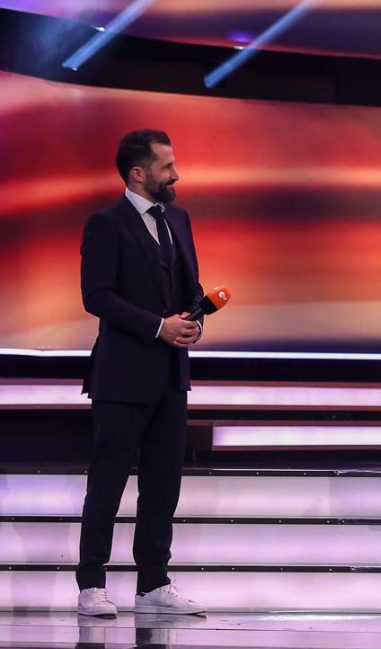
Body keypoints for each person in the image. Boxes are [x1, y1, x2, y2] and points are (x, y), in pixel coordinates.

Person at [76, 129, 206, 618]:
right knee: (107, 482)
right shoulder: (106, 224)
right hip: (122, 377)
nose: (175, 174)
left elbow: (187, 290)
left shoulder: (179, 218)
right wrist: (158, 327)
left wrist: (191, 322)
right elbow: (98, 297)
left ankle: (153, 584)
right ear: (139, 172)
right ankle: (91, 584)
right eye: (167, 165)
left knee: (162, 484)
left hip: (171, 375)